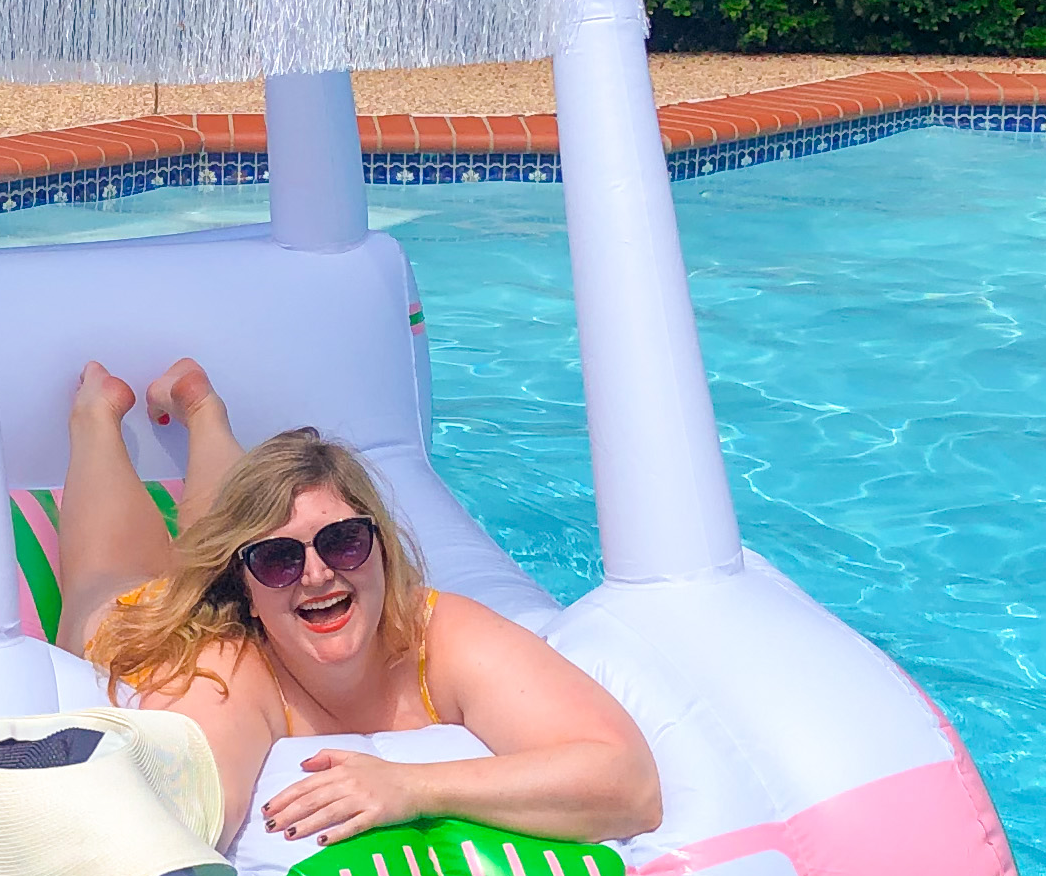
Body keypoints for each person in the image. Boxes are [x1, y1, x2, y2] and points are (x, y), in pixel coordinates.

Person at [57, 357, 662, 849]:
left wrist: (415, 787)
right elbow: (191, 803)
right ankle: (98, 411)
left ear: (381, 548)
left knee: (241, 519)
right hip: (146, 618)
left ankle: (202, 409)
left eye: (342, 541)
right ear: (245, 587)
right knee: (102, 582)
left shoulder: (440, 635)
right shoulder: (227, 668)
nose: (318, 574)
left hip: (248, 575)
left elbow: (630, 785)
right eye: (278, 560)